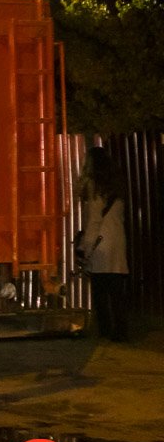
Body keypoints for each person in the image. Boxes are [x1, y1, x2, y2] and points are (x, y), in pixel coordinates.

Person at [76, 146, 129, 342]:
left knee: (100, 291)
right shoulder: (116, 185)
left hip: (101, 245)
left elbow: (94, 221)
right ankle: (121, 331)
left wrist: (85, 248)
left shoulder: (94, 186)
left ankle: (106, 330)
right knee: (116, 292)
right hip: (117, 241)